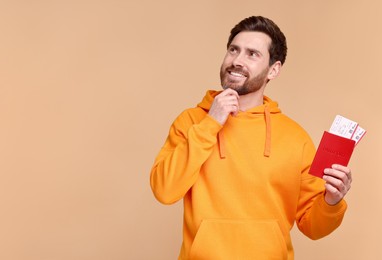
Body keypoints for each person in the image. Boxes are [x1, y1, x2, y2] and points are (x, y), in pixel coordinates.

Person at [150, 16, 352, 260]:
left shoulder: (295, 138)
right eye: (233, 50)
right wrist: (211, 123)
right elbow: (164, 190)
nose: (237, 61)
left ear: (274, 69)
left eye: (252, 54)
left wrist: (331, 202)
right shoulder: (191, 121)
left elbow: (313, 227)